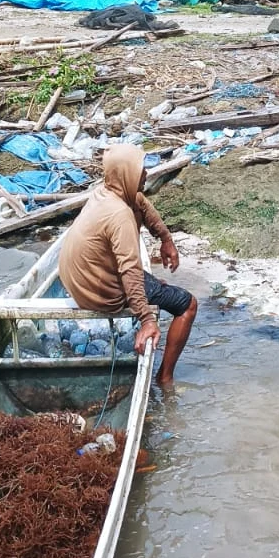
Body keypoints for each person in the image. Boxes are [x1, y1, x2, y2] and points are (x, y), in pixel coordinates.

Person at [58, 144, 197, 386]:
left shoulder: (105, 192)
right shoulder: (119, 214)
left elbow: (140, 202)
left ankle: (151, 292)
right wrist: (146, 320)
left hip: (77, 281)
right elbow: (130, 270)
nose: (145, 175)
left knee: (155, 285)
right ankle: (165, 378)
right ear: (126, 174)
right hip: (99, 292)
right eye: (141, 170)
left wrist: (165, 238)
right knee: (188, 305)